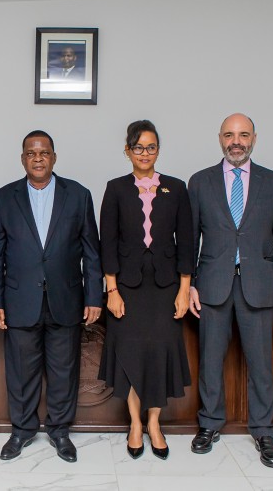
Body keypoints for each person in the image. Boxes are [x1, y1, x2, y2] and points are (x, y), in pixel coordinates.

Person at [188, 113, 273, 468]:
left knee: (261, 364)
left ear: (254, 138)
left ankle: (264, 430)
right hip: (212, 285)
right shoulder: (200, 181)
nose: (236, 141)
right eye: (229, 135)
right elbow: (189, 240)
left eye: (243, 134)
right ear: (220, 138)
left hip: (260, 286)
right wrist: (187, 284)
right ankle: (209, 424)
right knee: (209, 361)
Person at [0, 130, 103, 463]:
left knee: (64, 370)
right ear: (23, 158)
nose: (38, 159)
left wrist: (94, 297)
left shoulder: (78, 195)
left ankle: (60, 431)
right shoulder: (5, 197)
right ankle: (22, 431)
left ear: (54, 156)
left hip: (66, 300)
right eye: (31, 153)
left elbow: (92, 252)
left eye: (44, 152)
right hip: (19, 301)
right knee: (21, 372)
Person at [99, 120, 194, 460]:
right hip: (127, 287)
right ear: (127, 151)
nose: (144, 153)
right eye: (137, 147)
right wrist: (111, 289)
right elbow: (106, 244)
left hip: (166, 287)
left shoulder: (176, 188)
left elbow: (185, 242)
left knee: (159, 355)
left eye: (150, 147)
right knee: (132, 355)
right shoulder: (115, 188)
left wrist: (185, 289)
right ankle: (135, 423)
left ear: (158, 150)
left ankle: (155, 423)